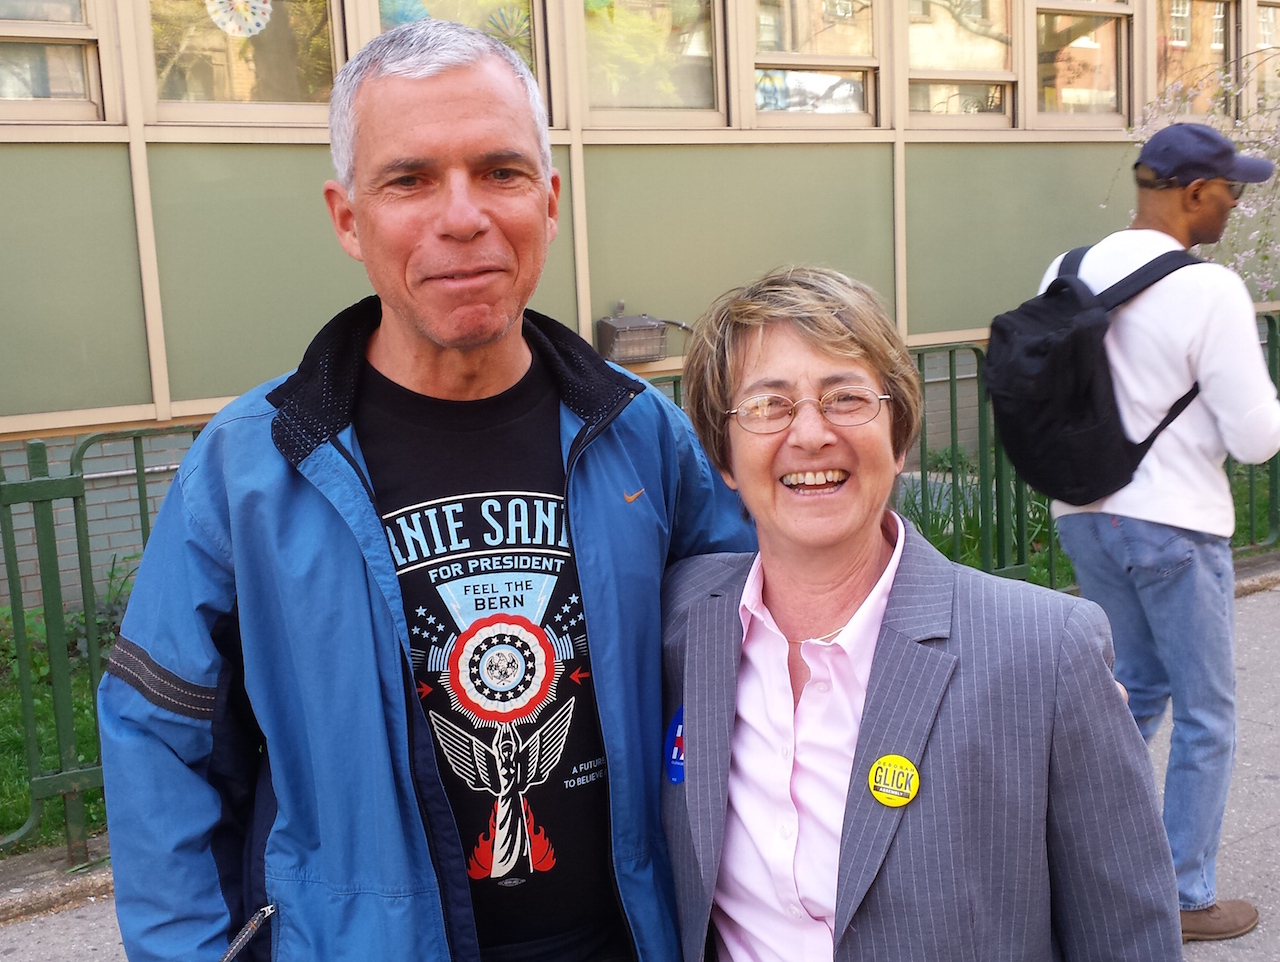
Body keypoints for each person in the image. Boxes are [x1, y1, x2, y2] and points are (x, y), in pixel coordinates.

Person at [97, 19, 754, 962]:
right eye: (409, 179)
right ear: (347, 218)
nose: (462, 216)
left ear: (550, 199)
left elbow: (763, 642)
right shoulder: (250, 469)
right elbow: (158, 743)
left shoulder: (638, 434)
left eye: (500, 171)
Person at [659, 266, 1182, 961]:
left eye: (846, 397)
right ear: (724, 456)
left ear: (899, 438)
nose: (810, 433)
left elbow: (1129, 940)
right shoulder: (681, 620)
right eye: (768, 404)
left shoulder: (1044, 653)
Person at [1046, 122, 1280, 944]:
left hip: (1086, 517)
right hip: (1174, 526)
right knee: (1209, 714)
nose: (1237, 202)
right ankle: (1184, 894)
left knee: (1133, 691)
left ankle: (1074, 860)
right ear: (1191, 193)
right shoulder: (1209, 290)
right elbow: (1256, 439)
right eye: (1231, 190)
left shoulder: (1067, 267)